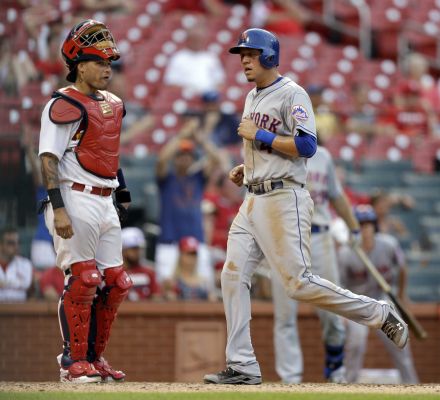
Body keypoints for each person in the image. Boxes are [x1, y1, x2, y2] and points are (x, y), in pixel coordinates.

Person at [203, 28, 409, 385]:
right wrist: (247, 168)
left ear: (269, 56)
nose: (244, 61)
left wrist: (262, 137)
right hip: (253, 196)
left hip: (285, 198)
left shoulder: (293, 93)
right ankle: (243, 365)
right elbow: (263, 146)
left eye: (251, 54)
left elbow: (308, 145)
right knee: (232, 275)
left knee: (297, 285)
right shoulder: (252, 95)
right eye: (241, 55)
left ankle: (378, 312)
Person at [38, 19, 133, 383]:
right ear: (79, 65)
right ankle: (71, 362)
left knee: (117, 281)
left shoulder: (113, 103)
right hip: (73, 197)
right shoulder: (62, 104)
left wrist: (121, 190)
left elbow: (107, 151)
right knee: (83, 279)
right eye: (99, 62)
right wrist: (57, 207)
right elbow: (48, 158)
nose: (107, 68)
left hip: (104, 197)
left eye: (110, 63)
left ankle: (95, 358)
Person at [269, 144, 361, 383]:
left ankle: (335, 367)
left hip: (319, 237)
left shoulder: (322, 156)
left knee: (331, 308)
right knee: (285, 315)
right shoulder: (270, 153)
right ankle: (290, 379)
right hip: (284, 239)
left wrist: (353, 226)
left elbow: (336, 196)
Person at [338, 205, 419, 384]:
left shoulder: (389, 244)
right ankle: (348, 387)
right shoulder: (346, 252)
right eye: (361, 224)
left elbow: (402, 267)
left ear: (375, 225)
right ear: (355, 227)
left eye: (368, 224)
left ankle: (412, 385)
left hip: (382, 298)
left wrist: (402, 295)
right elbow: (340, 284)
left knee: (400, 341)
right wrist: (342, 313)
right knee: (356, 344)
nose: (366, 228)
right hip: (356, 302)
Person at [155, 116, 221, 289]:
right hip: (170, 242)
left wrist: (198, 137)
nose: (184, 159)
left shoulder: (197, 178)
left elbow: (216, 159)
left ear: (193, 159)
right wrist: (182, 135)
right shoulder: (167, 179)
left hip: (196, 241)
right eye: (180, 155)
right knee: (166, 288)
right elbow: (162, 159)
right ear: (175, 159)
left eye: (188, 156)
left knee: (205, 288)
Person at [163, 19, 225, 94]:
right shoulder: (178, 57)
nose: (197, 42)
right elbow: (171, 82)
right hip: (185, 95)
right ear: (188, 39)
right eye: (194, 39)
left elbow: (220, 81)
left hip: (207, 97)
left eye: (199, 39)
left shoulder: (211, 57)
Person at [162, 236, 217, 301]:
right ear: (181, 255)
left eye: (194, 254)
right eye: (188, 253)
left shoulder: (204, 283)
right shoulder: (172, 282)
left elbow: (212, 302)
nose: (192, 258)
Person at [121, 227, 161, 301]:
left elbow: (156, 298)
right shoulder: (116, 273)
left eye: (139, 248)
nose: (138, 252)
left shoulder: (149, 272)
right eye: (133, 248)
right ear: (123, 249)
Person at [0, 227, 33, 302]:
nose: (16, 247)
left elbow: (26, 284)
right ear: (1, 245)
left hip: (19, 309)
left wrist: (3, 283)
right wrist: (17, 283)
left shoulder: (25, 264)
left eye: (18, 242)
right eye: (11, 243)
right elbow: (22, 284)